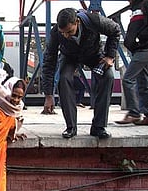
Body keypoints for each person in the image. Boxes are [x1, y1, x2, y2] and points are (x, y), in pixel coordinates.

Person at [41, 8, 121, 139]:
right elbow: (49, 61)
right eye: (63, 33)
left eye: (69, 32)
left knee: (108, 76)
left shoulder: (94, 20)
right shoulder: (56, 32)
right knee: (64, 79)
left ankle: (99, 127)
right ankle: (71, 127)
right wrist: (48, 95)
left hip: (93, 54)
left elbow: (115, 30)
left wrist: (110, 56)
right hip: (69, 56)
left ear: (77, 22)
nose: (66, 36)